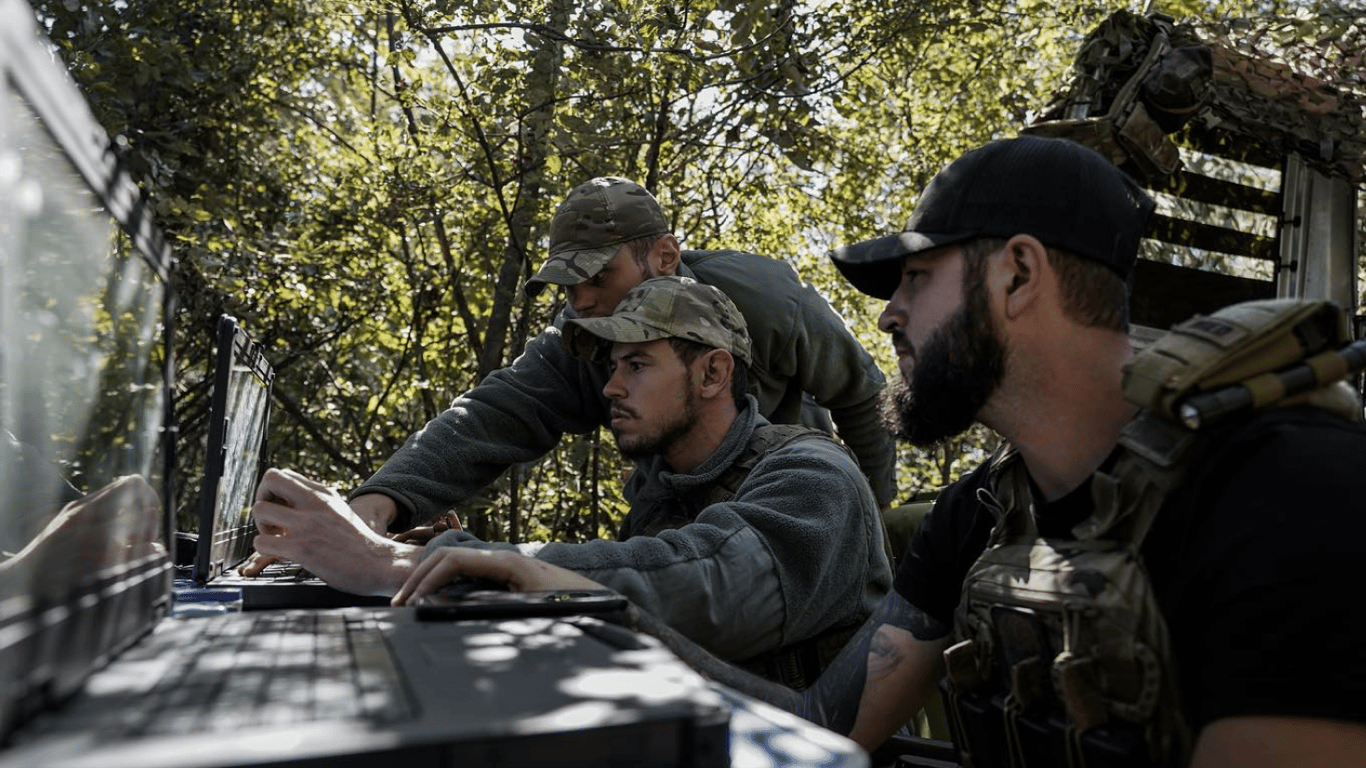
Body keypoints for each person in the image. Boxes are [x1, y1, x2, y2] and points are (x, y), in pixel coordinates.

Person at [414, 136, 1366, 766]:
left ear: (1019, 274)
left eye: (915, 278)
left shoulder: (1281, 490)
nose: (893, 315)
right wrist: (579, 600)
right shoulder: (981, 517)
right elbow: (824, 733)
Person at [253, 276, 893, 684]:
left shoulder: (815, 478)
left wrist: (389, 563)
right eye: (613, 366)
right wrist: (435, 555)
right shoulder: (667, 481)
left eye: (637, 365)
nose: (611, 387)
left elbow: (704, 585)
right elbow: (625, 571)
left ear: (714, 373)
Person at [335, 175, 897, 541]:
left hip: (788, 508)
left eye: (599, 276)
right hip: (670, 518)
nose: (580, 302)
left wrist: (866, 527)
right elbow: (497, 411)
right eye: (567, 285)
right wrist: (379, 501)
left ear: (665, 256)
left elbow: (862, 399)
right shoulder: (581, 334)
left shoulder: (765, 300)